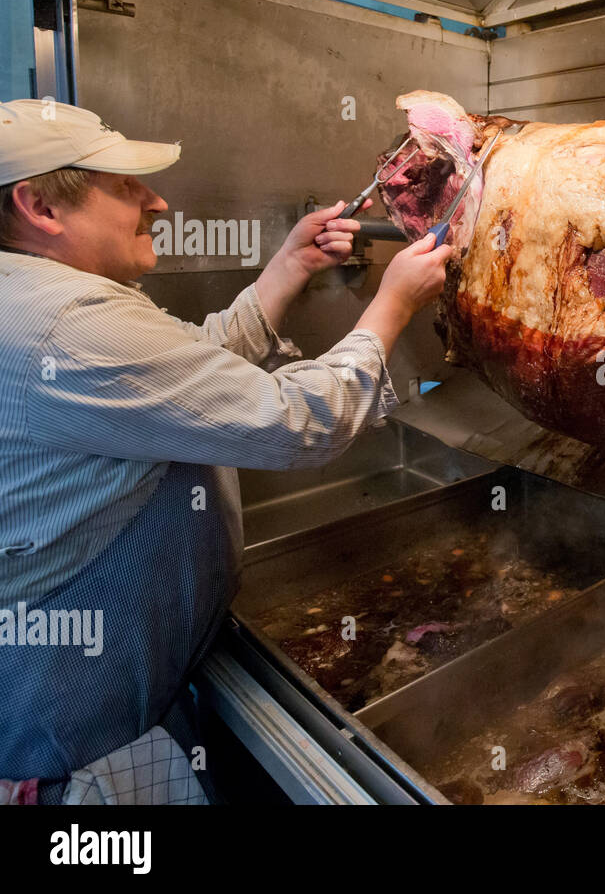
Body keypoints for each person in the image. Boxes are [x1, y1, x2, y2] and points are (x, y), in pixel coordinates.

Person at [0, 98, 450, 803]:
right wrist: (392, 307)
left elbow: (186, 370)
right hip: (81, 733)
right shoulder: (61, 327)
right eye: (123, 186)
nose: (157, 201)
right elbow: (292, 419)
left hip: (117, 688)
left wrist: (287, 269)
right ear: (39, 207)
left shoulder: (41, 298)